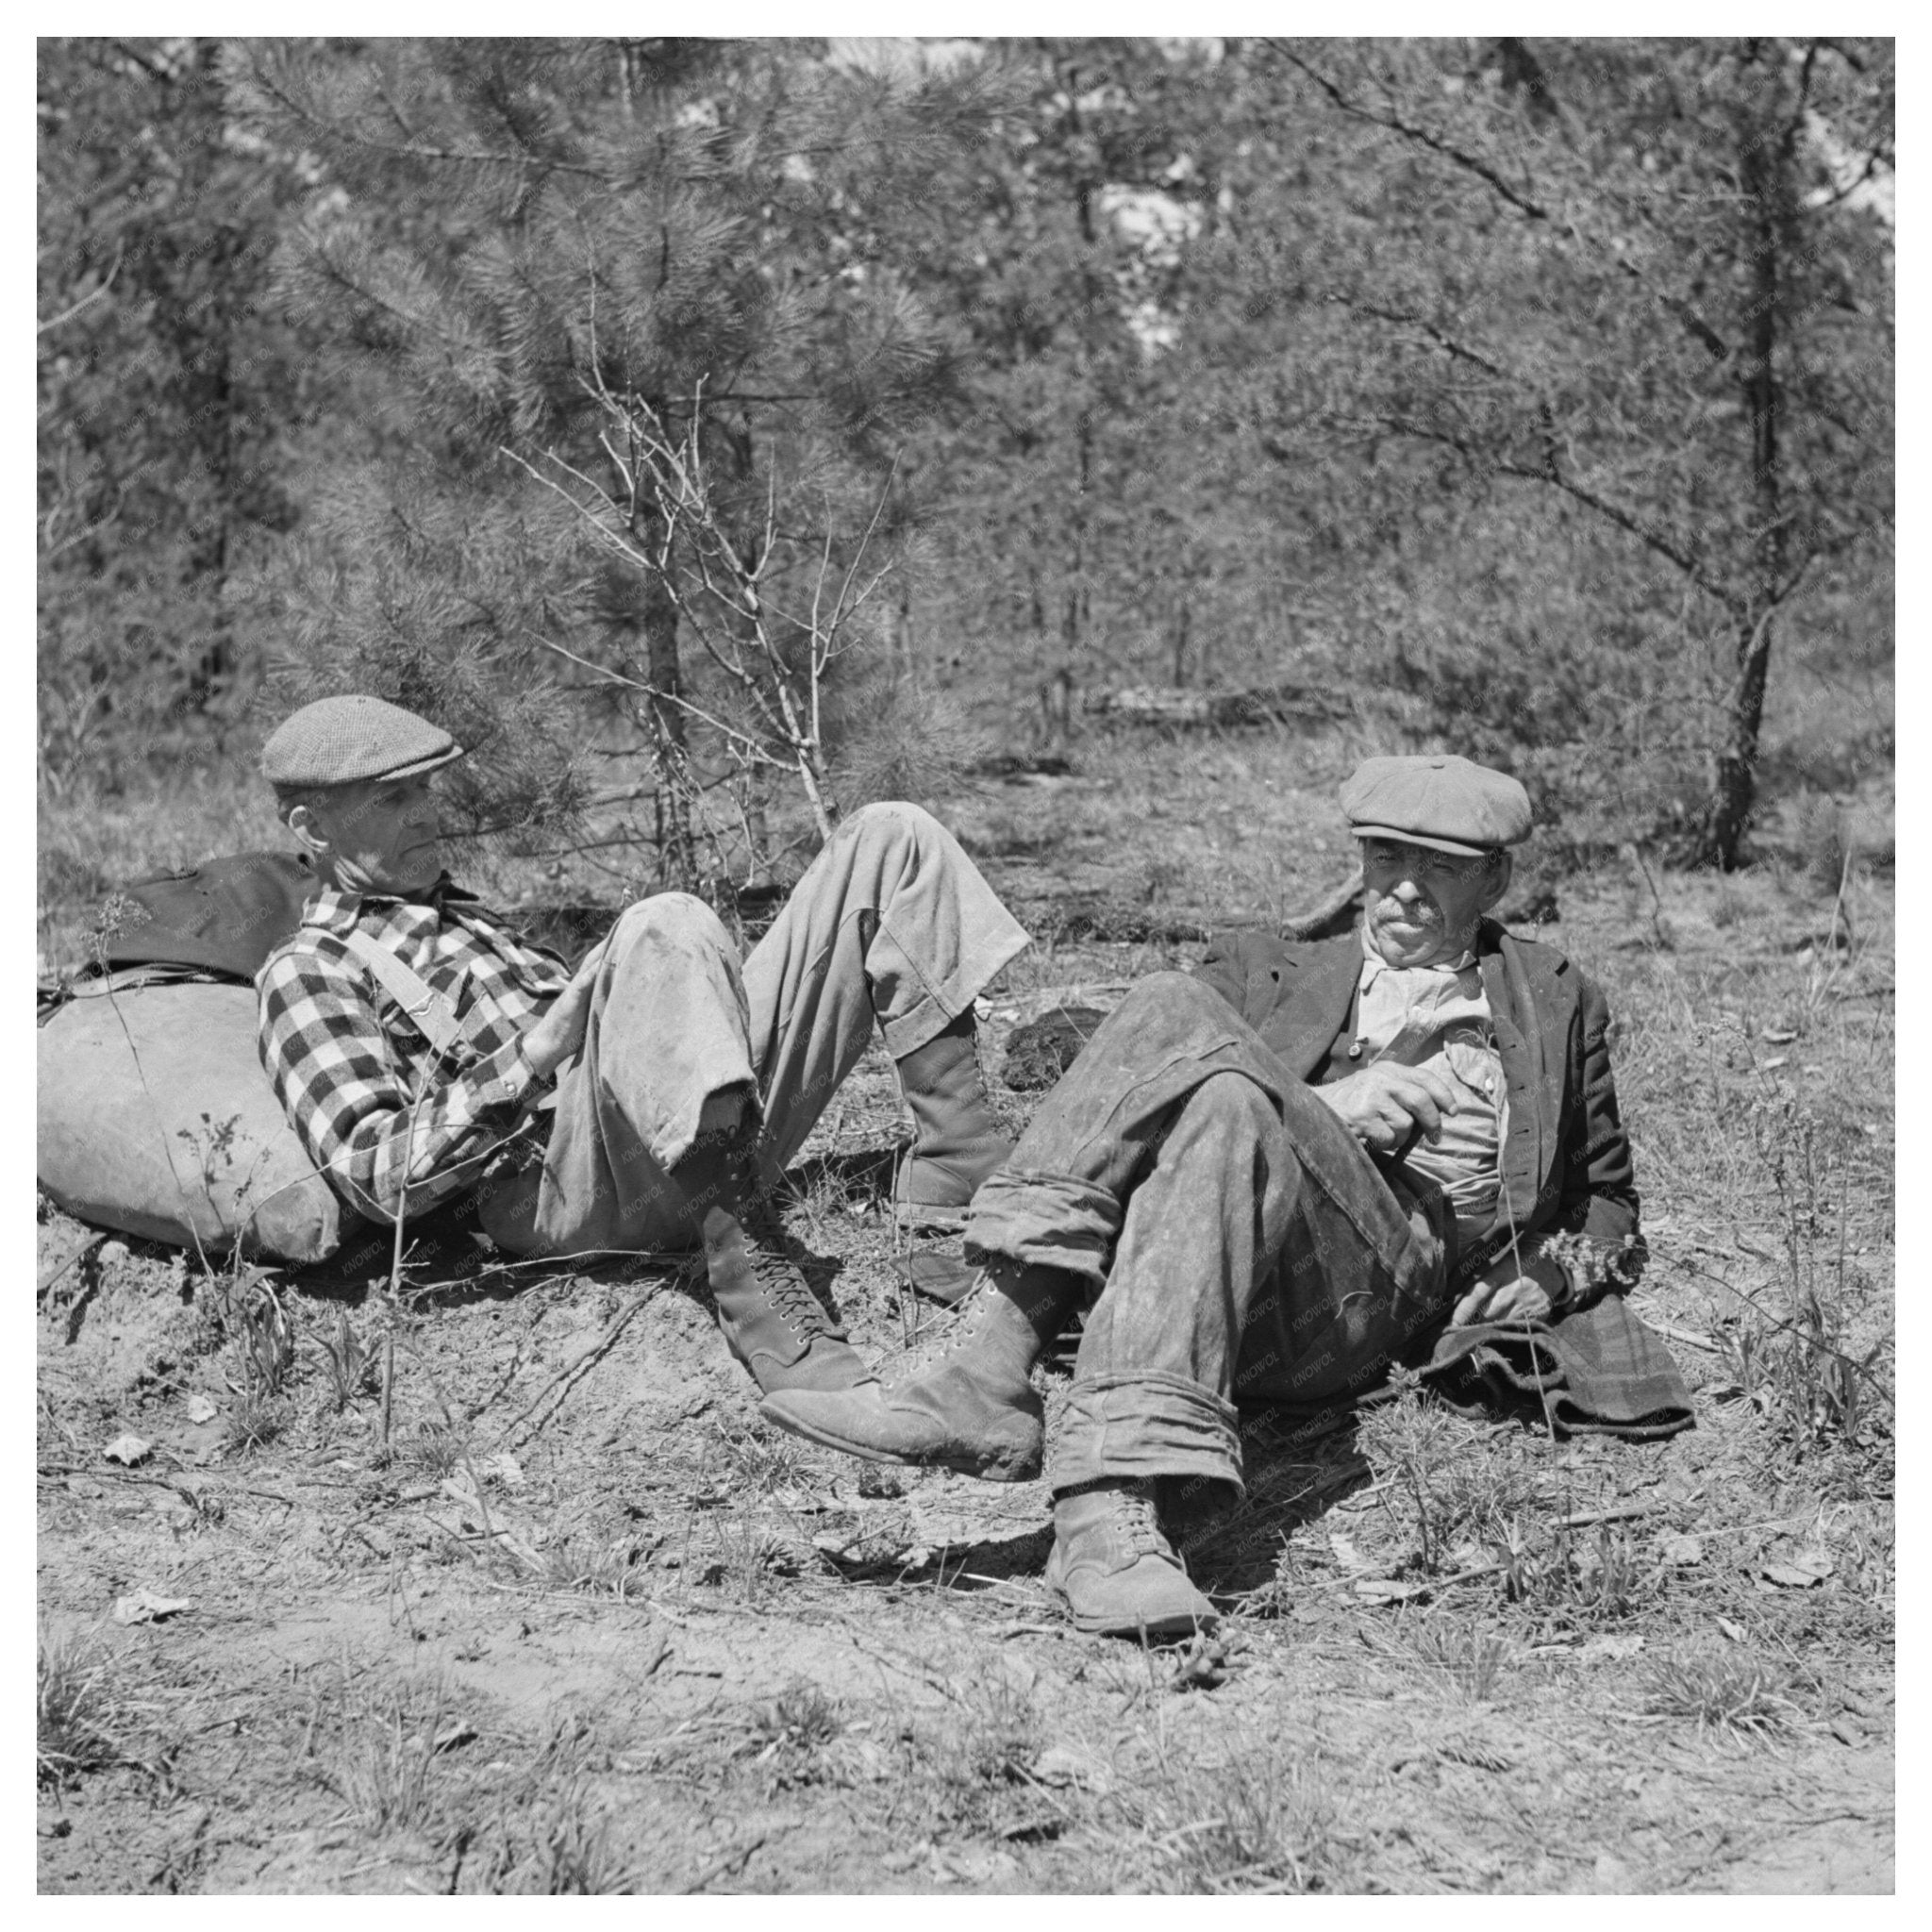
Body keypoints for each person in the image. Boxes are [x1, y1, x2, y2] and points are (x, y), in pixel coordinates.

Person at [759, 754, 1690, 1638]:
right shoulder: (1264, 964)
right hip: (1223, 1265)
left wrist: (1547, 1274)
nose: (1403, 885)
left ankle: (988, 1358)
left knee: (1190, 1031)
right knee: (1210, 1074)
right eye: (1384, 856)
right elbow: (1128, 1100)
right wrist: (1331, 1104)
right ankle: (1108, 1525)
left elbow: (1607, 1204)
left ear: (1492, 881)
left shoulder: (1553, 1000)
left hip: (1377, 1283)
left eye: (1438, 867)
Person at [254, 693, 1029, 1396]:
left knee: (894, 836)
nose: (426, 814)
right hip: (554, 1182)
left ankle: (956, 1203)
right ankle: (752, 1277)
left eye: (424, 790)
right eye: (394, 799)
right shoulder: (310, 969)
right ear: (313, 830)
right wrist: (532, 1056)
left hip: (670, 1130)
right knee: (667, 919)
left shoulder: (466, 921)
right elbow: (367, 1175)